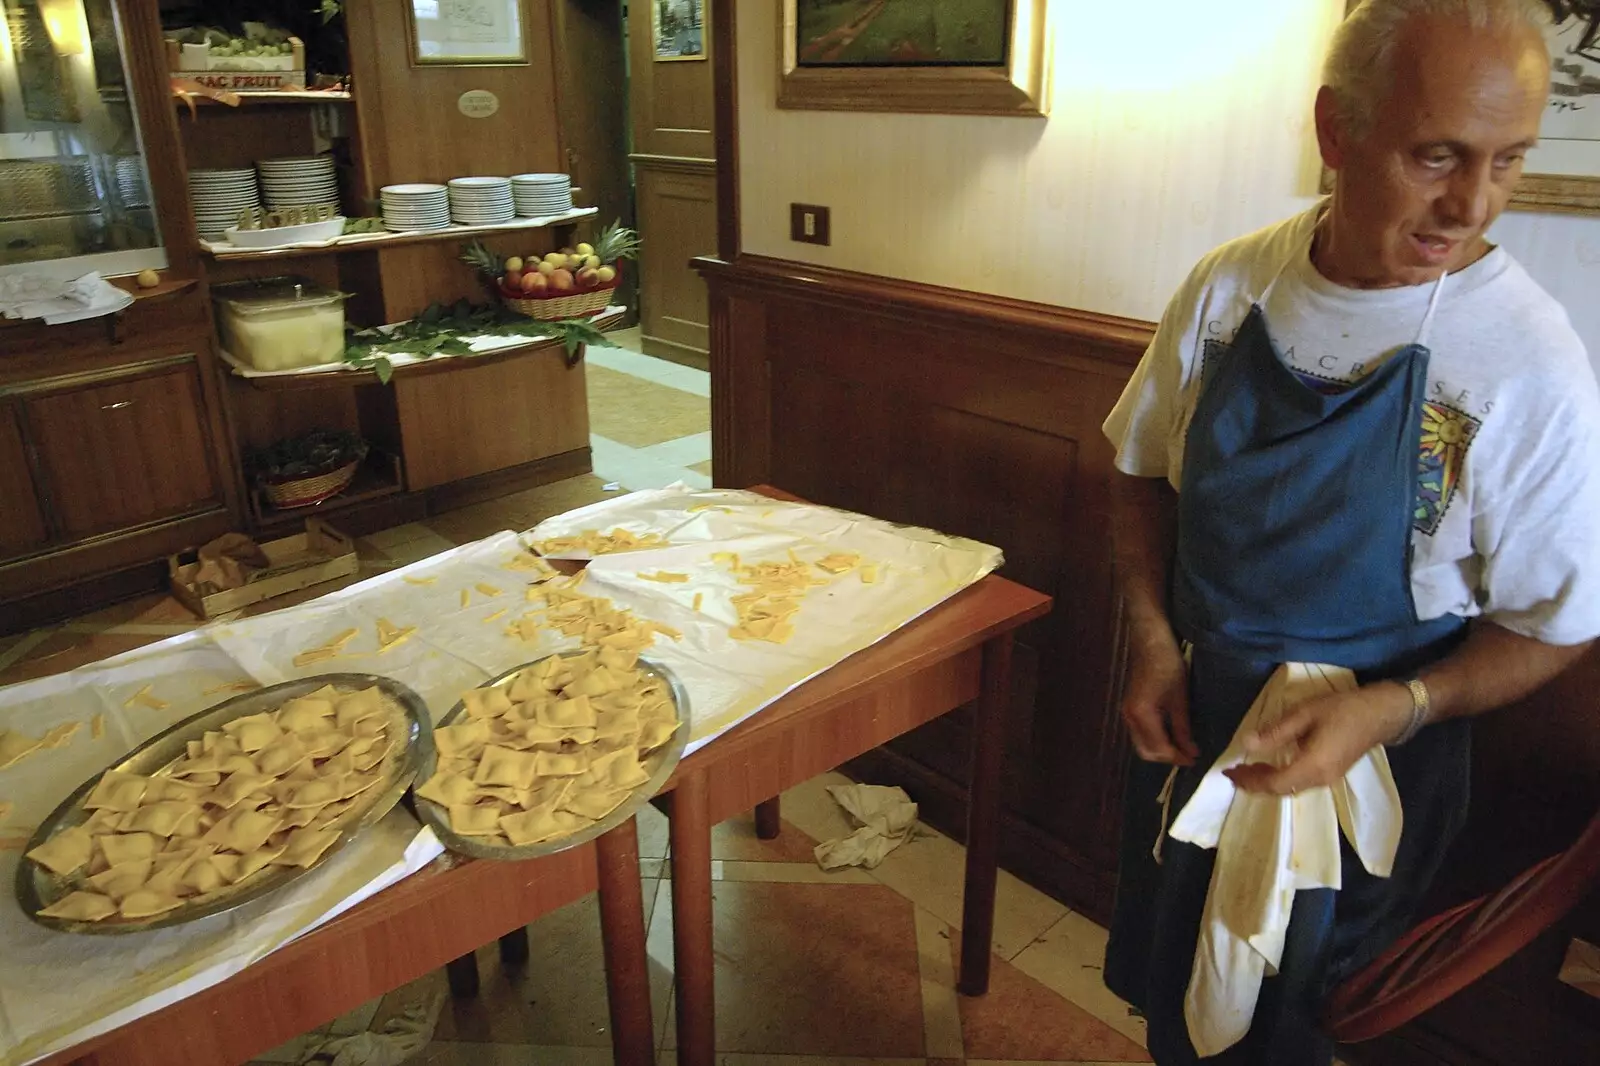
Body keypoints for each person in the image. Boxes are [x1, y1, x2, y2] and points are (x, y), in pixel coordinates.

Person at [1098, 1, 1600, 1063]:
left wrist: (1395, 704)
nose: (1468, 205)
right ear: (1337, 131)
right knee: (1173, 996)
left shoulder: (1528, 359)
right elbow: (1139, 474)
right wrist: (1148, 634)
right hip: (1195, 717)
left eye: (1506, 162)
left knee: (1288, 1027)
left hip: (1371, 762)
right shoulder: (1230, 286)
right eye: (1436, 157)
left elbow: (1557, 627)